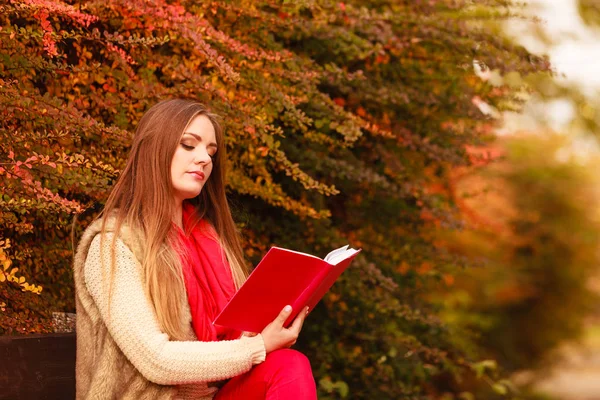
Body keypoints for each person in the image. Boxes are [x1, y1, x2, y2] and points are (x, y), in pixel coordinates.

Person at [73, 99, 318, 399]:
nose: (204, 158)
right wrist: (258, 346)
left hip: (214, 394)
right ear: (155, 149)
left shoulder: (208, 241)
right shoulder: (112, 247)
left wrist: (270, 324)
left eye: (210, 152)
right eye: (189, 145)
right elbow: (155, 359)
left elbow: (230, 337)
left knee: (288, 365)